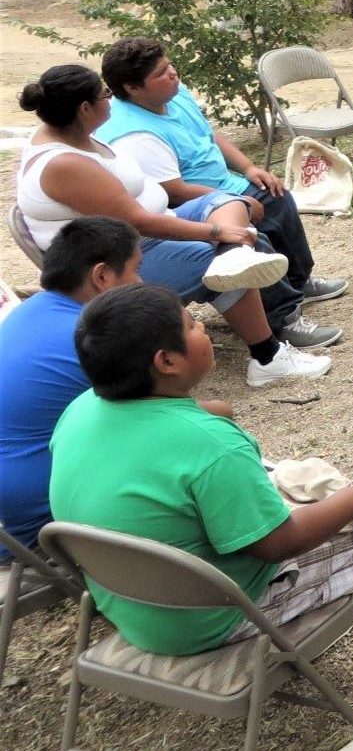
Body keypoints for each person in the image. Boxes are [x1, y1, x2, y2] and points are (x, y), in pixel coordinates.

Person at [49, 282, 353, 656]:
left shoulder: (81, 410)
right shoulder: (214, 446)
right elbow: (278, 544)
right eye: (191, 325)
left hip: (132, 606)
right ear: (167, 362)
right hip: (211, 619)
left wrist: (212, 411)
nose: (203, 328)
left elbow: (163, 429)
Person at [16, 64, 330, 386]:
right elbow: (138, 222)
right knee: (218, 257)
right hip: (115, 261)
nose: (111, 100)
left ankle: (235, 257)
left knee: (228, 204)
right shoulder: (65, 164)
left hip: (149, 229)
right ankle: (267, 358)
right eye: (106, 95)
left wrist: (223, 228)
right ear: (85, 108)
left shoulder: (71, 131)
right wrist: (217, 233)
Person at [0, 217, 231, 563]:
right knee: (212, 428)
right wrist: (221, 411)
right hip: (42, 522)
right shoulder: (94, 339)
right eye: (136, 271)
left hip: (9, 511)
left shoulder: (29, 312)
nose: (141, 281)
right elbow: (166, 423)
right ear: (103, 276)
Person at [98, 37, 345, 351]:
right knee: (249, 237)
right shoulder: (134, 134)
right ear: (133, 88)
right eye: (161, 73)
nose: (173, 74)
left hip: (224, 185)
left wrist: (248, 168)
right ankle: (282, 318)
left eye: (169, 65)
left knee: (278, 197)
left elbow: (208, 133)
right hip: (194, 200)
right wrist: (235, 199)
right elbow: (173, 192)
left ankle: (297, 280)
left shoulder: (174, 94)